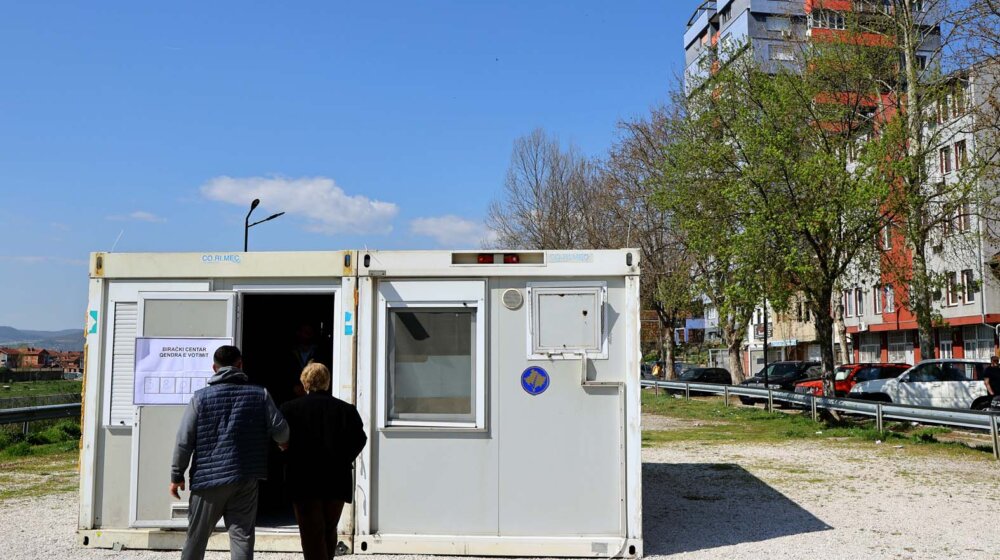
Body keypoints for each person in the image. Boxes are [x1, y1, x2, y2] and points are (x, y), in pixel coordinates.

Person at [170, 345, 290, 560]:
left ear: (214, 368)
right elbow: (281, 430)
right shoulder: (259, 395)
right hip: (245, 477)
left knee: (196, 537)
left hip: (208, 480)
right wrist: (283, 443)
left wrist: (177, 475)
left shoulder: (200, 398)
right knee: (241, 536)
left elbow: (184, 441)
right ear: (240, 365)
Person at [280, 363, 367, 560]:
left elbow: (280, 439)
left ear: (304, 382)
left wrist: (289, 456)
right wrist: (343, 458)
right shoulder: (346, 410)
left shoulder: (289, 409)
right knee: (329, 529)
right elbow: (359, 439)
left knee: (311, 533)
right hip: (336, 478)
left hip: (303, 478)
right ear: (327, 382)